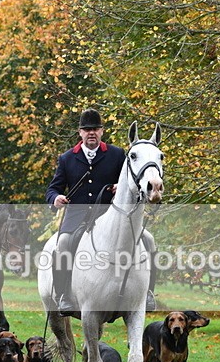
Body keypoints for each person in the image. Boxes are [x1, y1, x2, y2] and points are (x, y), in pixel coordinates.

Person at [45, 108, 156, 316]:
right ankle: (64, 296)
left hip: (110, 215)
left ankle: (149, 292)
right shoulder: (67, 158)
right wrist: (55, 198)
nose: (91, 133)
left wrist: (118, 186)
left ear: (102, 131)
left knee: (148, 240)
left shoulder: (116, 154)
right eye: (87, 130)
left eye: (95, 129)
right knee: (63, 243)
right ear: (80, 132)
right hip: (77, 216)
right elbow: (53, 189)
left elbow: (130, 180)